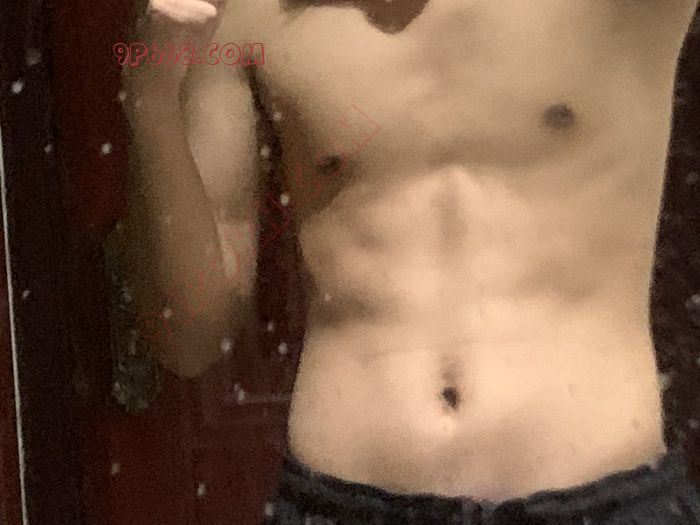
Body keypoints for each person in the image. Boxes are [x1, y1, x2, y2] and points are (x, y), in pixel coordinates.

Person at [114, 0, 700, 522]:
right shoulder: (241, 12)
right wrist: (151, 97)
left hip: (605, 499)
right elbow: (186, 336)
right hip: (343, 503)